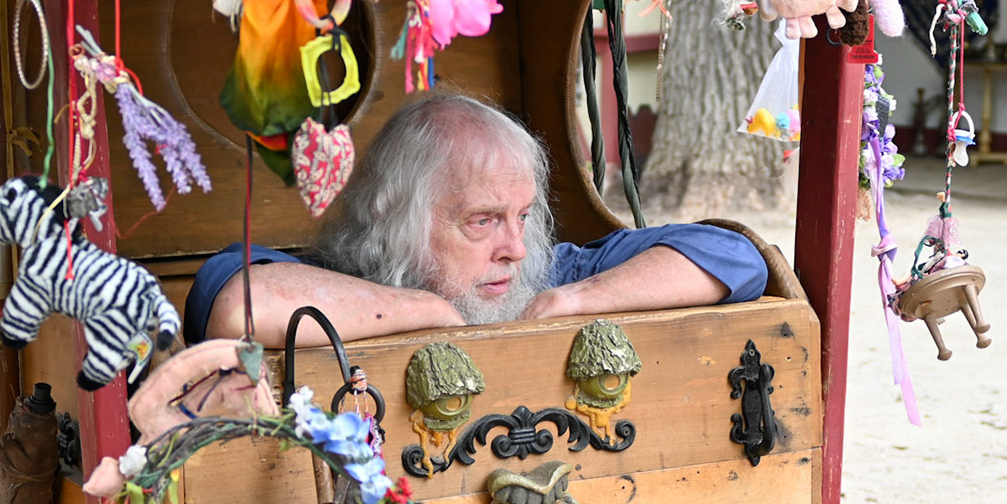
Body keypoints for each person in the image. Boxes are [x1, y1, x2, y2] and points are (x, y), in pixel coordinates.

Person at [186, 93, 769, 346]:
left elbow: (734, 259)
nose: (515, 248)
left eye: (523, 215)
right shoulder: (330, 279)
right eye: (482, 221)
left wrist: (573, 301)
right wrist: (429, 311)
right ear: (395, 219)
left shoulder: (544, 278)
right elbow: (241, 306)